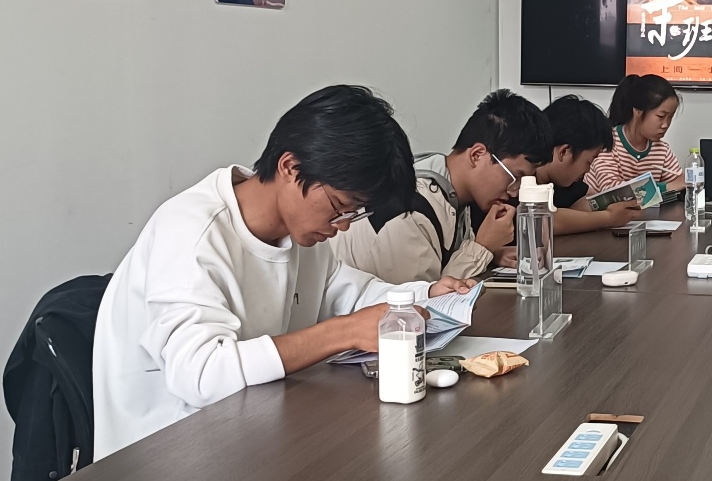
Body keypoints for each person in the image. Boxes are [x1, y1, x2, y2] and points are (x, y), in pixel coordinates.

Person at [93, 86, 473, 458]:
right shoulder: (191, 234)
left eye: (354, 213)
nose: (343, 225)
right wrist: (342, 332)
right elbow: (202, 375)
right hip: (168, 459)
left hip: (253, 438)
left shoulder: (300, 234)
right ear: (291, 167)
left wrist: (424, 295)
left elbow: (348, 293)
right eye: (340, 206)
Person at [332, 89, 551, 282]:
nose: (515, 190)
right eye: (515, 176)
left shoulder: (450, 190)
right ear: (477, 155)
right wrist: (481, 248)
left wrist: (491, 254)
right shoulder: (408, 212)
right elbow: (422, 304)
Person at [535, 95, 643, 235]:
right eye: (589, 161)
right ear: (564, 152)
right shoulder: (523, 179)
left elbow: (588, 198)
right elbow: (543, 221)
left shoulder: (563, 183)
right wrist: (609, 218)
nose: (587, 170)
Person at [585, 75, 686, 193]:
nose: (665, 125)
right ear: (637, 110)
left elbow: (679, 183)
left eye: (670, 118)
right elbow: (612, 190)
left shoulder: (662, 150)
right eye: (661, 116)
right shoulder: (608, 142)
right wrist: (666, 187)